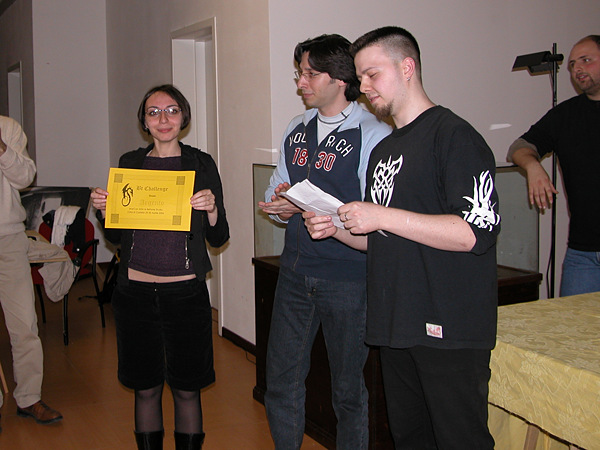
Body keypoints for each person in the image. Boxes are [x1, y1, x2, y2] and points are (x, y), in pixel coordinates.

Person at [304, 26, 500, 449]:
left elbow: (474, 232)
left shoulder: (454, 136)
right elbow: (381, 237)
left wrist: (382, 215)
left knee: (459, 440)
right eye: (360, 77)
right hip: (396, 323)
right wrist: (336, 229)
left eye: (372, 74)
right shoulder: (384, 151)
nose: (363, 87)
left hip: (449, 326)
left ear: (407, 67)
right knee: (410, 438)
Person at [258, 34, 391, 449]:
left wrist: (329, 216)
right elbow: (276, 188)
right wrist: (281, 205)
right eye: (299, 74)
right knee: (281, 382)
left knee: (348, 391)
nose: (301, 83)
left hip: (348, 280)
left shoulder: (373, 133)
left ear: (339, 78)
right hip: (294, 274)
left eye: (310, 74)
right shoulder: (296, 129)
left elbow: (379, 214)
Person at [91, 84, 229, 450]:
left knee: (186, 390)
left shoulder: (201, 164)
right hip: (134, 294)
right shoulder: (130, 163)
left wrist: (211, 210)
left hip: (185, 294)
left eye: (171, 110)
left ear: (183, 117)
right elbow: (116, 236)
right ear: (144, 121)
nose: (163, 119)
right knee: (146, 389)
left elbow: (219, 237)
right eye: (154, 112)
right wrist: (105, 211)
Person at [507, 35, 600, 297]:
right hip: (582, 254)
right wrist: (532, 166)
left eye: (586, 60)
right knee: (571, 323)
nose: (577, 69)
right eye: (572, 64)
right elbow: (519, 147)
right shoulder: (566, 115)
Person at [0, 115, 63, 429]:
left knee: (25, 323)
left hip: (8, 238)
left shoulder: (8, 128)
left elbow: (25, 177)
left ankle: (28, 398)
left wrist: (2, 149)